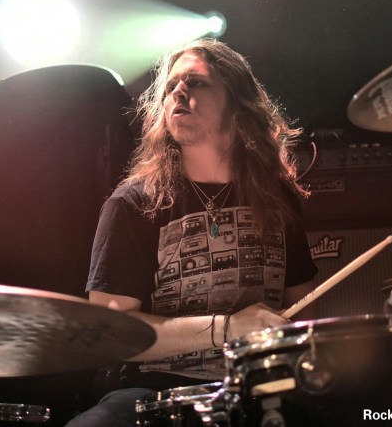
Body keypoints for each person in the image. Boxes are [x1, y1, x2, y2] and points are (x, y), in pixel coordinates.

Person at [66, 38, 318, 427]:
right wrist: (225, 329)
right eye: (171, 86)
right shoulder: (133, 203)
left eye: (196, 82)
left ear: (237, 104)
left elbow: (303, 310)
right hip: (156, 390)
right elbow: (111, 334)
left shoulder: (276, 199)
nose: (178, 91)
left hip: (258, 389)